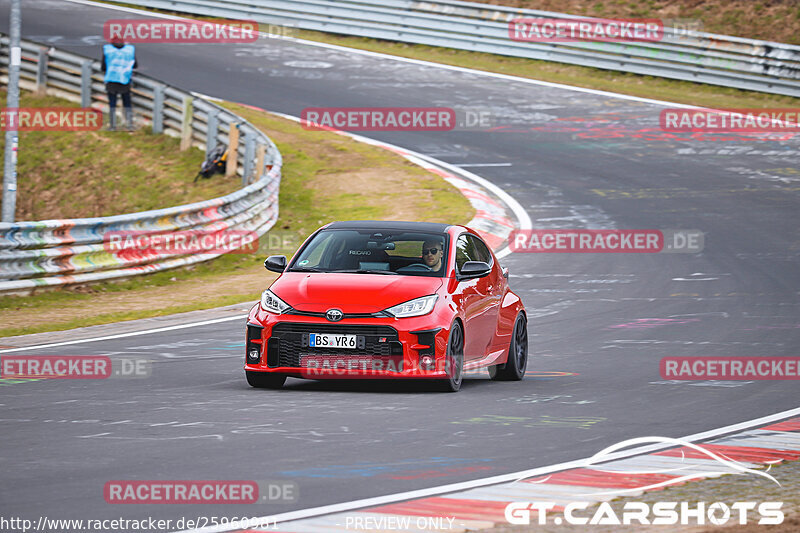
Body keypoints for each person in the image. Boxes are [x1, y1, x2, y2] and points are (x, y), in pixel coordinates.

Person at [102, 38, 137, 130]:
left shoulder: (108, 50)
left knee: (112, 104)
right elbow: (135, 64)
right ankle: (130, 125)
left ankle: (113, 126)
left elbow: (103, 66)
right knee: (127, 103)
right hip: (124, 80)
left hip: (111, 80)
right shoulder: (129, 51)